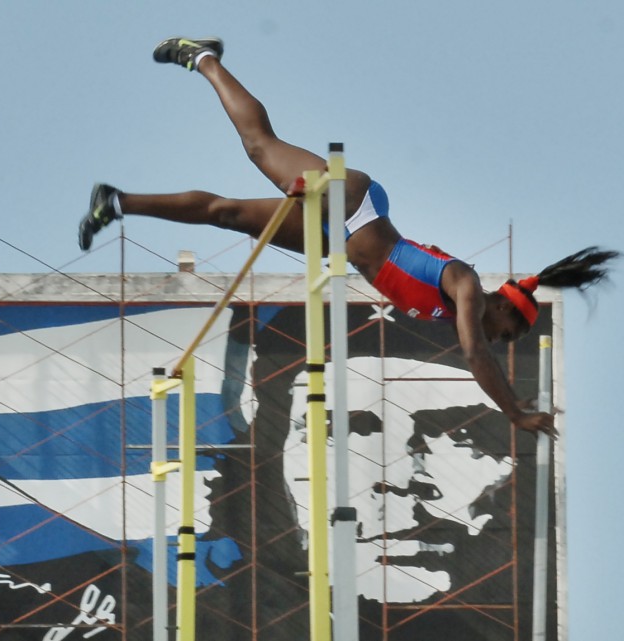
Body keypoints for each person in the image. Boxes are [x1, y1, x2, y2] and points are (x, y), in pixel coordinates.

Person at [77, 37, 618, 437]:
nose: (501, 341)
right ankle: (203, 57)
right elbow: (476, 355)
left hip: (338, 241)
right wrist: (515, 413)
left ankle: (116, 201)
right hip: (355, 208)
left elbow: (474, 345)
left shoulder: (462, 306)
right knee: (260, 146)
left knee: (229, 214)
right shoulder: (468, 287)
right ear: (503, 307)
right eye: (509, 334)